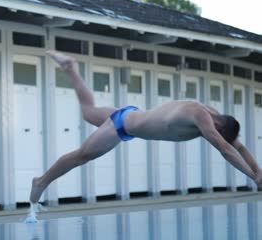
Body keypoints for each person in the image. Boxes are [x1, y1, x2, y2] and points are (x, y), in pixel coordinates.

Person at [29, 50, 262, 204]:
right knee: (81, 156)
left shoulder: (213, 114)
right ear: (219, 126)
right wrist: (253, 176)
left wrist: (258, 170)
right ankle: (41, 182)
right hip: (121, 127)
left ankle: (70, 67)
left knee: (89, 111)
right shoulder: (202, 116)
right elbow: (225, 149)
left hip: (130, 115)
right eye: (216, 135)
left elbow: (237, 146)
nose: (211, 138)